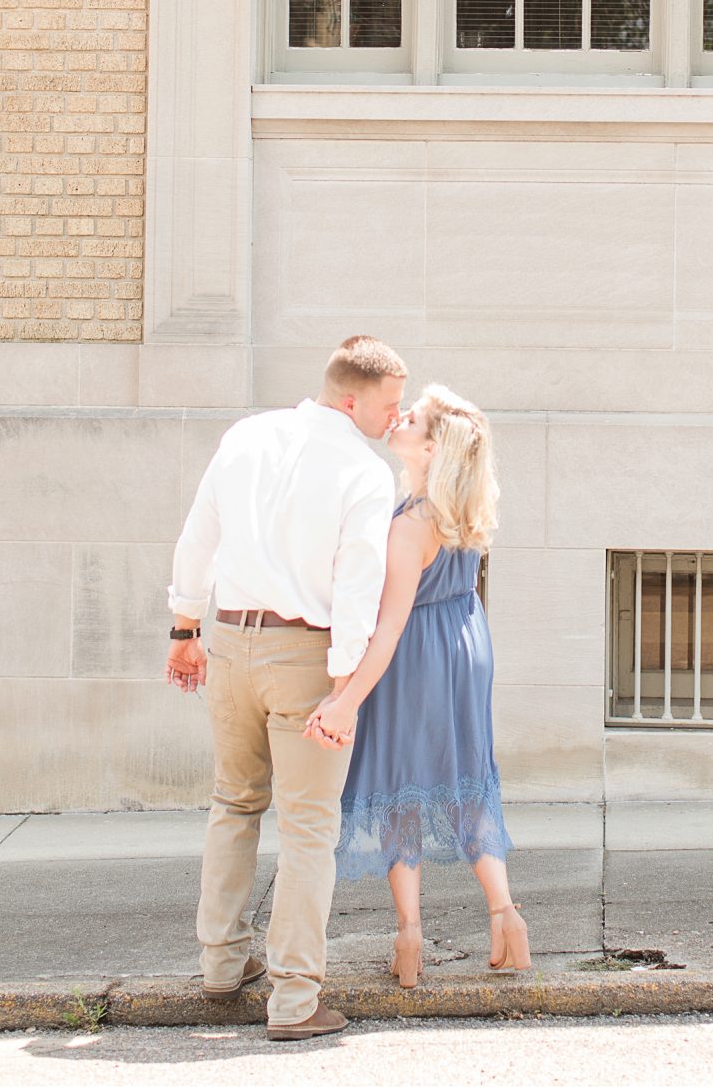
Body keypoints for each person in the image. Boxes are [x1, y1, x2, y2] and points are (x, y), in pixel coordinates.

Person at [165, 335, 406, 1042]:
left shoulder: (247, 436)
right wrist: (345, 692)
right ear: (351, 399)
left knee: (233, 803)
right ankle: (296, 1000)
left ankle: (221, 963)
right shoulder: (364, 471)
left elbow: (198, 537)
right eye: (390, 405)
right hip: (308, 653)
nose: (397, 418)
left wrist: (185, 631)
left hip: (231, 642)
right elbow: (359, 586)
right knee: (307, 828)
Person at [304, 385, 530, 987]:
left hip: (419, 652)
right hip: (464, 639)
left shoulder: (411, 523)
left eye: (412, 420)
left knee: (403, 782)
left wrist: (345, 698)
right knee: (465, 776)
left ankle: (409, 936)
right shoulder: (459, 507)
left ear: (430, 449)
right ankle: (506, 917)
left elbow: (390, 624)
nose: (398, 420)